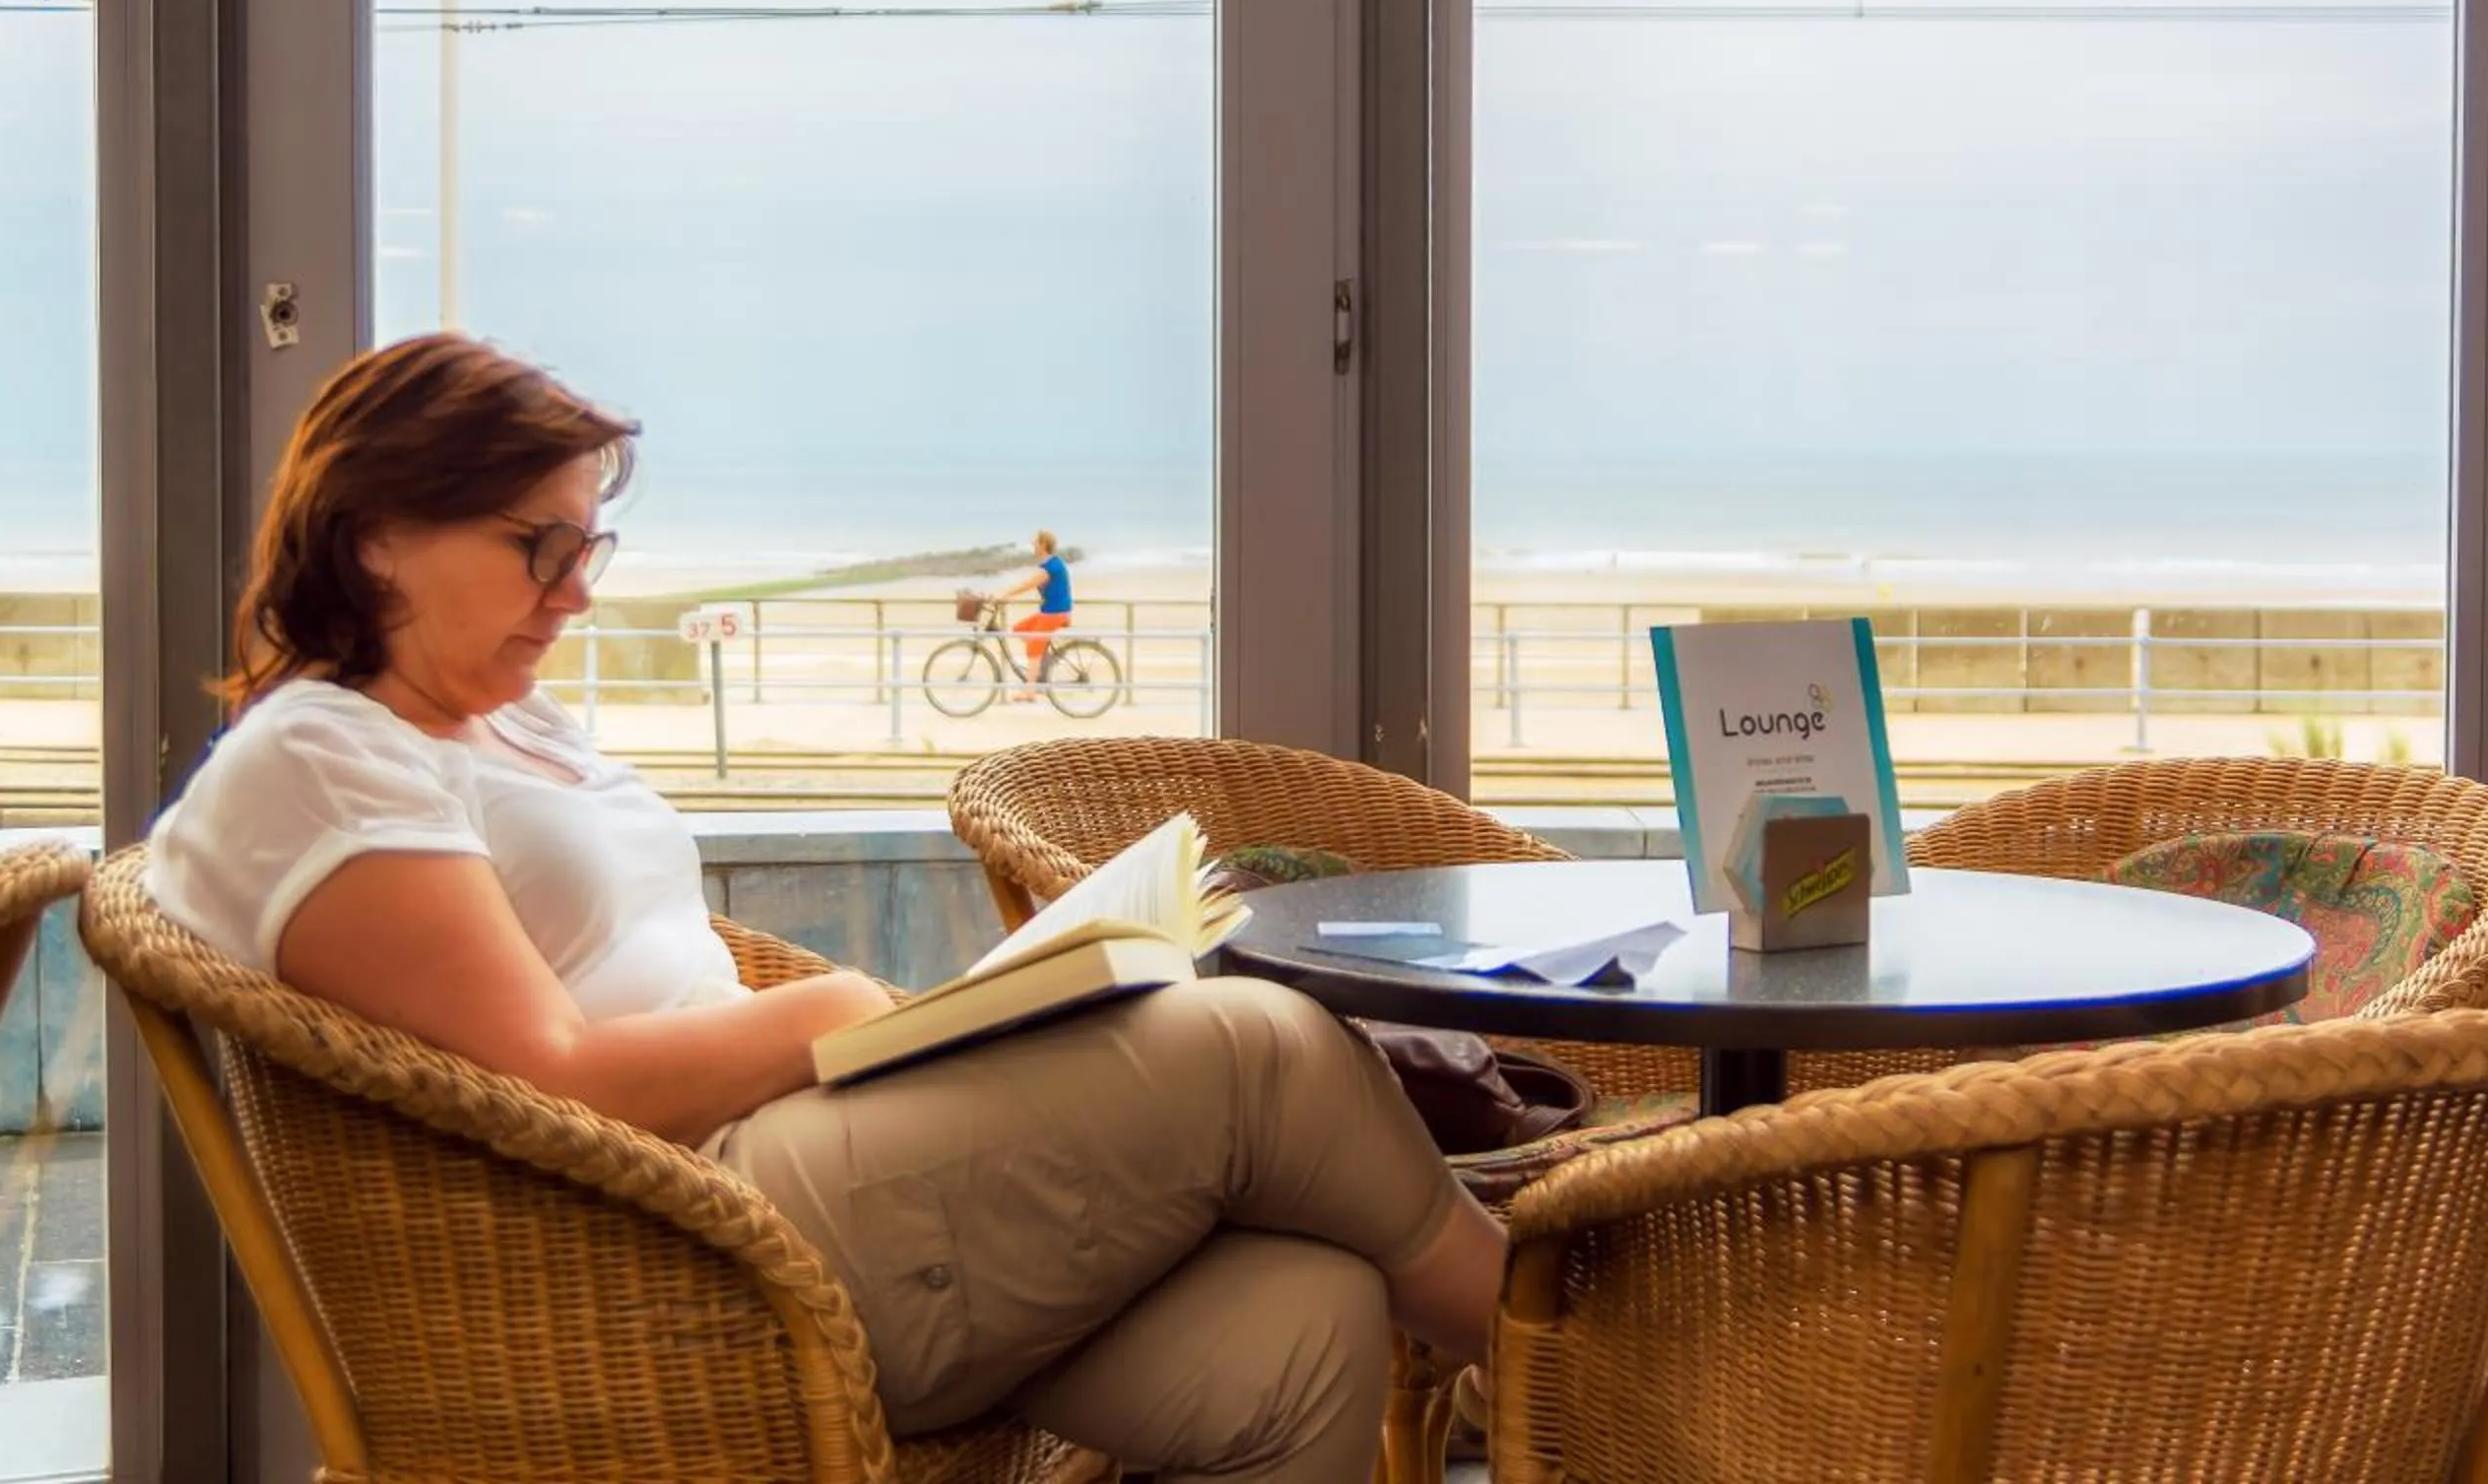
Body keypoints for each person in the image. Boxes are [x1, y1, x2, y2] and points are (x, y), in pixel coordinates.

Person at [141, 334, 1500, 1484]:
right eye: (536, 545)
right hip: (681, 1242)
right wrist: (842, 1012)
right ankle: (1572, 1353)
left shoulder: (499, 722)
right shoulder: (316, 759)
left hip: (786, 1167)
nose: (577, 589)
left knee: (1301, 1326)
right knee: (1256, 1048)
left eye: (590, 544)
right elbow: (555, 1085)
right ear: (375, 533)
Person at [999, 528, 1073, 702]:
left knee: (1033, 649)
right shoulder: (1051, 563)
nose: (1033, 545)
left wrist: (1004, 594)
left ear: (1043, 545)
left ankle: (1030, 692)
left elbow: (1028, 584)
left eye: (1035, 542)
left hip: (1055, 613)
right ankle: (1043, 662)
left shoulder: (1051, 567)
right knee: (1019, 629)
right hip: (1050, 611)